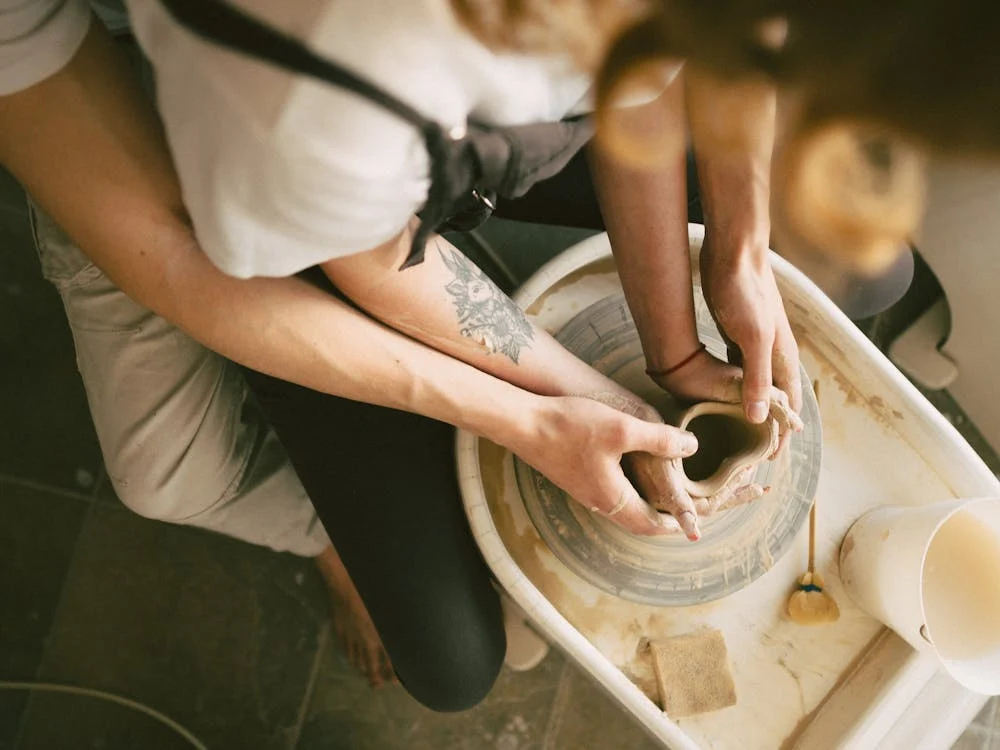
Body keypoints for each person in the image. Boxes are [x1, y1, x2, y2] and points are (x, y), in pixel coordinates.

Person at [0, 0, 804, 711]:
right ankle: (328, 536)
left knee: (866, 267)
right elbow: (191, 264)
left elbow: (664, 68)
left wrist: (723, 271)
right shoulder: (302, 95)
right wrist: (532, 414)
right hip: (128, 104)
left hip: (353, 150)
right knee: (170, 481)